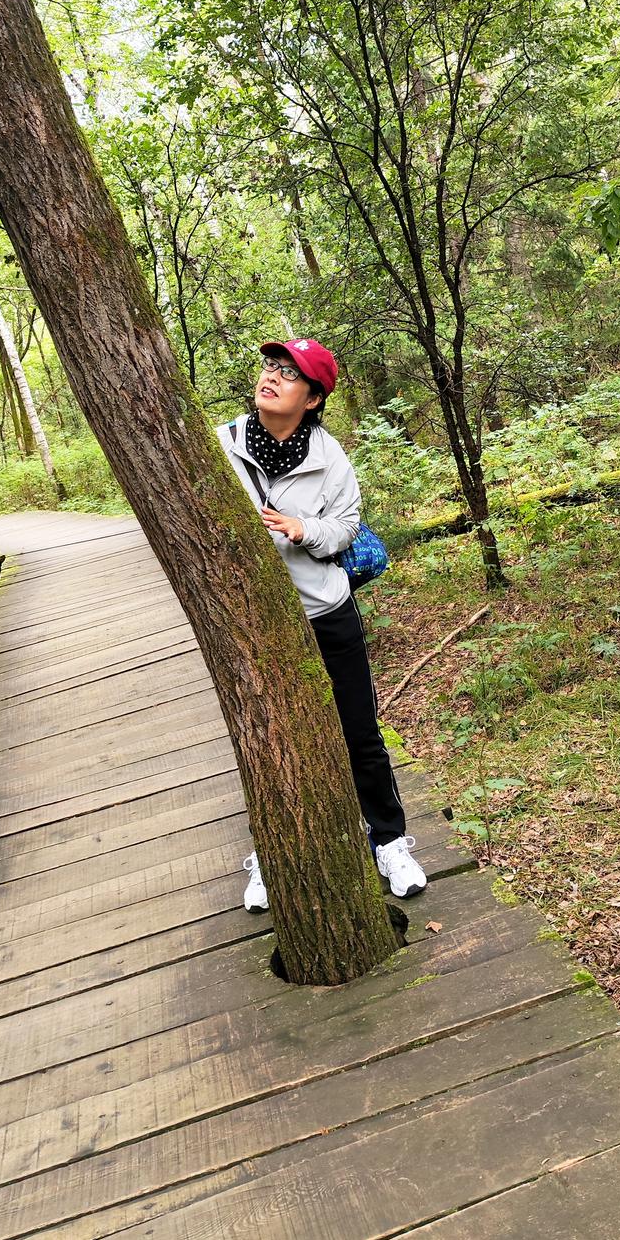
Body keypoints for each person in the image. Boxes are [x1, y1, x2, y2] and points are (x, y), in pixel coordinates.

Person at [218, 339, 427, 911]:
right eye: (270, 367)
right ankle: (275, 855)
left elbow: (345, 529)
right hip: (255, 621)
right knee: (272, 742)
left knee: (360, 734)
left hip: (325, 611)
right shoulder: (222, 446)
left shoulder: (330, 458)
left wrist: (301, 529)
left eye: (290, 375)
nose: (272, 378)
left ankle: (388, 841)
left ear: (312, 399)